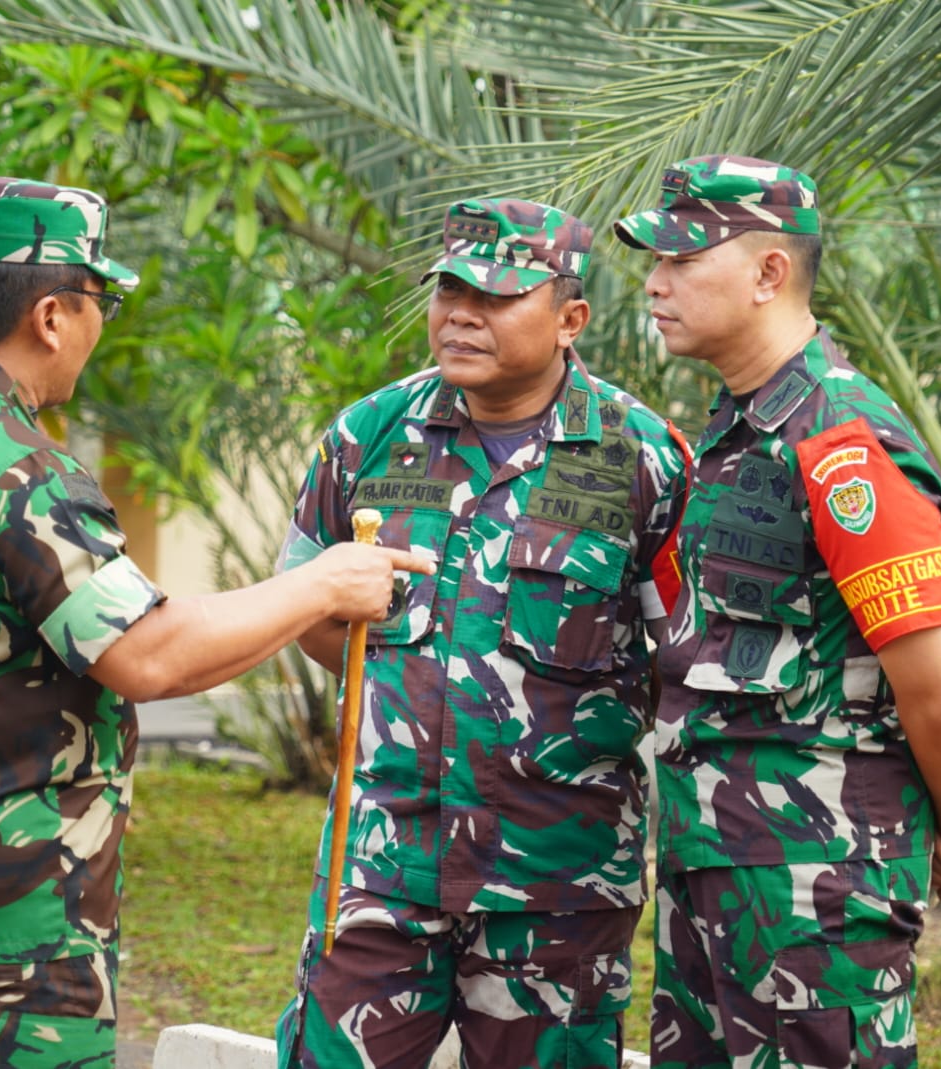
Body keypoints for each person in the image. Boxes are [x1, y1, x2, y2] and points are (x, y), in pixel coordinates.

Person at [0, 175, 432, 1069]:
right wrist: (326, 585)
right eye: (103, 301)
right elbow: (149, 655)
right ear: (51, 314)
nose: (98, 327)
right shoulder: (16, 468)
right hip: (13, 912)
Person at [272, 199, 690, 1069]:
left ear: (571, 318)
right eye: (450, 288)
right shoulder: (368, 437)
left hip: (558, 882)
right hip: (381, 864)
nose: (461, 312)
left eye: (496, 295)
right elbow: (303, 610)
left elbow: (681, 661)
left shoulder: (643, 458)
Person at [612, 156, 941, 1069]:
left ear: (769, 273)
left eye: (680, 260)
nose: (655, 283)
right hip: (716, 869)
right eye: (653, 261)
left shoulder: (844, 444)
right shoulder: (742, 426)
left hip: (819, 887)